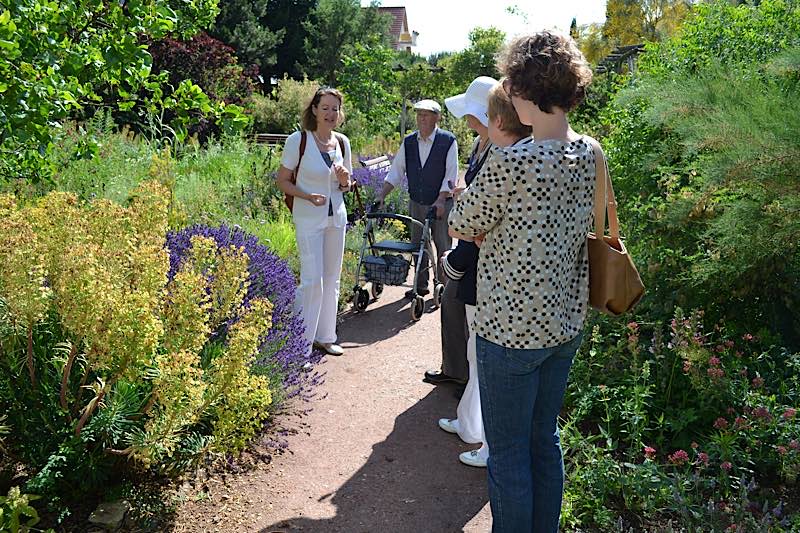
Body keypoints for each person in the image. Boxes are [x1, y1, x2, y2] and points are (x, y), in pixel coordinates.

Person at [449, 31, 597, 531]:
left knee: (508, 456)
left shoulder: (511, 160)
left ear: (527, 88)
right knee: (543, 441)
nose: (507, 90)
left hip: (510, 330)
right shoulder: (592, 152)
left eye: (512, 81)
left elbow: (461, 223)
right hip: (565, 323)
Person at [438, 80, 533, 468]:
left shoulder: (505, 153)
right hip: (482, 259)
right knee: (479, 346)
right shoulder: (487, 146)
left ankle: (486, 439)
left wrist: (467, 224)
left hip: (489, 265)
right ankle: (469, 421)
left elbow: (472, 221)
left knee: (487, 350)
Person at [276, 87, 353, 357]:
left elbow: (347, 186)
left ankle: (325, 337)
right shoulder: (298, 140)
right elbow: (282, 181)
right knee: (312, 281)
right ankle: (300, 347)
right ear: (315, 110)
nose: (331, 113)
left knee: (332, 279)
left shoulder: (342, 142)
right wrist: (307, 195)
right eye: (326, 108)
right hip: (308, 220)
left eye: (335, 108)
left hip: (336, 219)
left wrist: (344, 180)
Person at [376, 99, 458, 299]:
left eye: (426, 114)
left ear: (437, 117)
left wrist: (440, 199)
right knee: (417, 245)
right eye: (419, 114)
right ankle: (420, 286)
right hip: (417, 202)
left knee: (442, 246)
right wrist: (382, 195)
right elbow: (396, 171)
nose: (421, 118)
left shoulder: (448, 141)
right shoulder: (409, 142)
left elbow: (451, 174)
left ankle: (444, 287)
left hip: (441, 203)